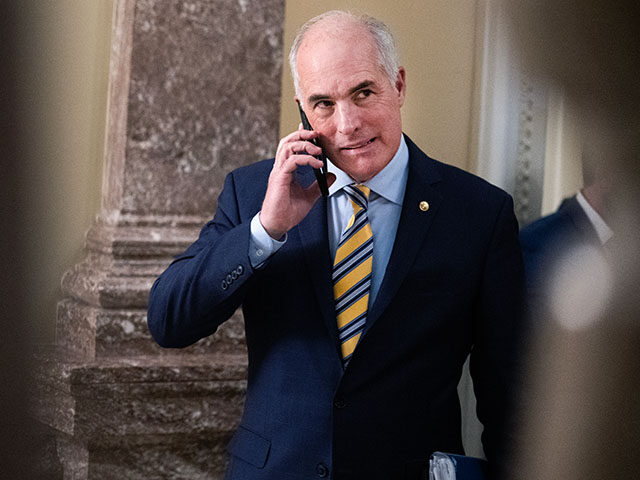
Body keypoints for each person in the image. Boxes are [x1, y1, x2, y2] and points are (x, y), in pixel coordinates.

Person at [147, 11, 524, 480]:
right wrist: (266, 230)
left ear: (399, 86)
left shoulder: (479, 214)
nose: (347, 124)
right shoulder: (254, 193)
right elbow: (168, 320)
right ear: (303, 108)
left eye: (363, 92)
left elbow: (510, 402)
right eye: (323, 104)